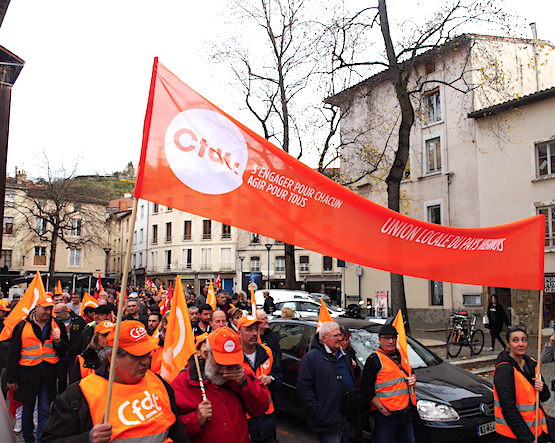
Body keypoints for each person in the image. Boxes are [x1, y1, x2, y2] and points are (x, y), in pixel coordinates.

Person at [41, 320, 189, 443]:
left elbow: (178, 433)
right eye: (137, 356)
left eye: (148, 353)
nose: (146, 361)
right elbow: (50, 440)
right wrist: (88, 438)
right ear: (113, 358)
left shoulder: (160, 384)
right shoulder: (79, 396)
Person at [171, 327, 269, 442]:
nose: (225, 369)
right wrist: (196, 420)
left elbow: (261, 407)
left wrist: (245, 384)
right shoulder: (182, 384)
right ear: (206, 355)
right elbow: (170, 430)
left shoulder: (238, 375)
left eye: (231, 362)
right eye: (221, 362)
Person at [7, 294, 69, 443]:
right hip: (26, 374)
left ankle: (41, 439)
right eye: (45, 309)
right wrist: (12, 379)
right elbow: (13, 353)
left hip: (48, 374)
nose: (48, 312)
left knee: (44, 409)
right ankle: (28, 438)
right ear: (37, 308)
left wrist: (59, 341)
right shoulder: (22, 326)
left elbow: (65, 348)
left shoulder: (57, 325)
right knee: (27, 409)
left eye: (50, 309)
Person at [298, 321, 356, 443]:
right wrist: (318, 410)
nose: (340, 339)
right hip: (326, 418)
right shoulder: (311, 358)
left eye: (340, 335)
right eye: (336, 336)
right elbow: (303, 388)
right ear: (324, 338)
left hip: (344, 415)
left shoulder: (345, 355)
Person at [361, 324, 416, 443]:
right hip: (386, 415)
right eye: (387, 338)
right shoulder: (374, 360)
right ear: (380, 340)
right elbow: (366, 388)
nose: (391, 341)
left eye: (393, 338)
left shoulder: (402, 356)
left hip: (405, 413)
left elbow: (411, 372)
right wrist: (382, 410)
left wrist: (413, 378)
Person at [494, 326, 550, 442]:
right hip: (514, 436)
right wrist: (528, 439)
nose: (521, 344)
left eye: (523, 340)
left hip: (538, 432)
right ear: (508, 344)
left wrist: (542, 388)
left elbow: (545, 396)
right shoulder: (504, 370)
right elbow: (508, 409)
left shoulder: (532, 364)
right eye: (515, 340)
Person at [238, 316, 282, 443]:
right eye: (249, 330)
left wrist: (271, 379)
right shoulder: (233, 358)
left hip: (266, 416)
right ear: (239, 333)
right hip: (244, 417)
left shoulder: (267, 352)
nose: (254, 333)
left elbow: (279, 376)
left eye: (256, 329)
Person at [52, 303, 86, 394]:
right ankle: (61, 397)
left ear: (65, 311)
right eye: (55, 313)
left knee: (73, 377)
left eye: (58, 313)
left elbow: (84, 335)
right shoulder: (55, 323)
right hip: (61, 354)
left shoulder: (78, 320)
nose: (56, 315)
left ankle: (72, 396)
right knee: (61, 379)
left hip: (74, 354)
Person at [69, 320, 114, 384]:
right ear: (96, 337)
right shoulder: (84, 359)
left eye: (111, 335)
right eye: (104, 335)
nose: (107, 338)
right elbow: (74, 385)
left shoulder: (121, 358)